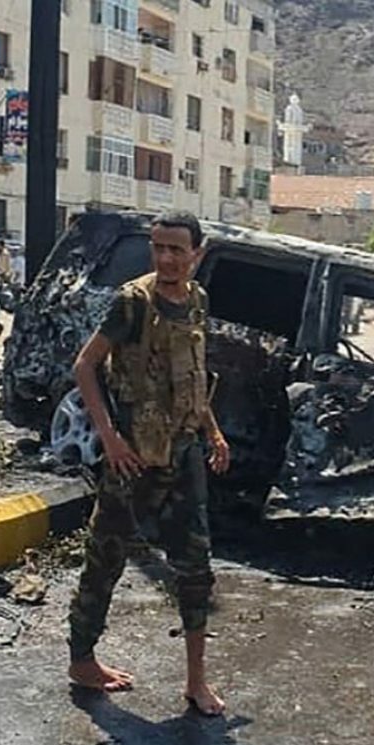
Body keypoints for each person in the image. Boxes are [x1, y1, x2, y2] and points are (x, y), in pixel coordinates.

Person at [67, 211, 230, 717]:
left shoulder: (198, 302)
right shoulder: (132, 303)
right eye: (158, 247)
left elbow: (193, 378)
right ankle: (82, 659)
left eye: (176, 249)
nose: (165, 258)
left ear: (196, 255)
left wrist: (213, 432)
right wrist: (111, 439)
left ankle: (197, 681)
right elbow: (85, 365)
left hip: (184, 456)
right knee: (105, 558)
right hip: (134, 460)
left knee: (196, 567)